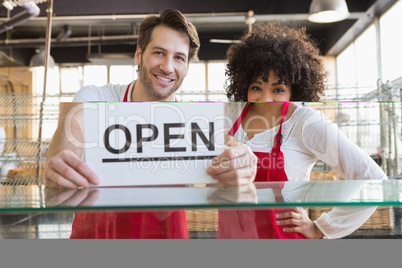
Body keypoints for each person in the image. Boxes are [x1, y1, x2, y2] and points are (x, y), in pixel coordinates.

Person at [44, 9, 257, 239]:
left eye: (179, 57)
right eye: (159, 52)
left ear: (186, 67)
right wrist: (59, 167)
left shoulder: (197, 119)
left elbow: (225, 157)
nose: (167, 67)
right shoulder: (96, 98)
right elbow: (68, 138)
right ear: (138, 55)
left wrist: (240, 163)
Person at [215, 22, 388, 239]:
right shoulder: (228, 114)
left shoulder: (307, 123)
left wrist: (321, 228)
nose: (266, 98)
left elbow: (372, 177)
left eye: (278, 89)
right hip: (233, 237)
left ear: (295, 88)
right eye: (256, 87)